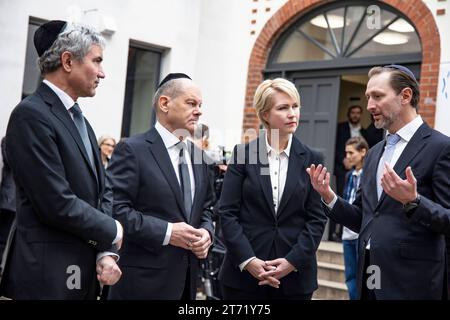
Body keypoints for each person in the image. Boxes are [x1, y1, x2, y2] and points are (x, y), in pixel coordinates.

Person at [1, 20, 123, 299]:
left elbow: (102, 190)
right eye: (97, 61)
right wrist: (113, 229)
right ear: (68, 61)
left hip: (81, 273)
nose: (103, 73)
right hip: (48, 277)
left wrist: (105, 251)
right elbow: (55, 202)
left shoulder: (82, 121)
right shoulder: (30, 115)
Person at [307, 65, 450, 299]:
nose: (369, 106)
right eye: (368, 97)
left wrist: (414, 202)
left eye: (378, 96)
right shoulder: (374, 153)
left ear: (405, 96)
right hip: (370, 278)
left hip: (414, 284)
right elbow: (364, 217)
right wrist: (329, 197)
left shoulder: (441, 147)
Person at [106, 73, 214, 300]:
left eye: (200, 105)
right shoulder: (132, 150)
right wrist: (168, 232)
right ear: (165, 103)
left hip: (187, 282)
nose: (199, 111)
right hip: (142, 285)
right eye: (191, 103)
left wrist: (206, 233)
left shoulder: (200, 158)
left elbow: (208, 208)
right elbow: (115, 210)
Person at [218, 78, 327, 300]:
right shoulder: (243, 155)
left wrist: (292, 262)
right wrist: (249, 261)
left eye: (295, 106)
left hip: (295, 280)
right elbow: (227, 213)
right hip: (243, 279)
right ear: (265, 114)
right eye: (283, 108)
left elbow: (316, 219)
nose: (292, 114)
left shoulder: (314, 158)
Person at [332, 105, 367, 241]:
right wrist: (343, 159)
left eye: (358, 113)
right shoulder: (341, 128)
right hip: (342, 170)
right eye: (353, 113)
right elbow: (334, 146)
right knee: (340, 199)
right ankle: (336, 233)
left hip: (358, 234)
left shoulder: (364, 131)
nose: (355, 115)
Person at [341, 136, 368, 300]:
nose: (348, 156)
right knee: (350, 277)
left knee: (364, 278)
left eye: (351, 153)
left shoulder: (371, 174)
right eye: (346, 153)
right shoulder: (349, 176)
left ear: (363, 152)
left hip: (362, 234)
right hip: (347, 234)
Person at [0, 137, 16, 266]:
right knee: (2, 238)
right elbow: (9, 160)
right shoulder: (7, 141)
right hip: (7, 202)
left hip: (15, 204)